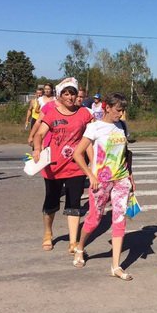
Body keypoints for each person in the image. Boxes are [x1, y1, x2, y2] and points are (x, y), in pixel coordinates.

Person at [71, 93, 136, 280]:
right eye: (118, 110)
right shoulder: (94, 127)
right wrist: (90, 175)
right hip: (101, 180)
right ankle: (80, 247)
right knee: (94, 219)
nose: (121, 114)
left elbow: (126, 153)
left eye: (123, 110)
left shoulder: (122, 126)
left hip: (121, 179)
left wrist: (130, 176)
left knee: (120, 219)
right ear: (107, 107)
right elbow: (77, 153)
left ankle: (116, 266)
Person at [31, 77, 93, 252]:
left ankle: (73, 241)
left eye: (72, 93)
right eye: (66, 93)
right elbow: (39, 134)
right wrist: (37, 148)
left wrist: (93, 164)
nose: (70, 97)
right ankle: (48, 233)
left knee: (74, 203)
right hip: (54, 166)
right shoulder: (52, 113)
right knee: (51, 202)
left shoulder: (84, 114)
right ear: (59, 95)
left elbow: (90, 140)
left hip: (76, 166)